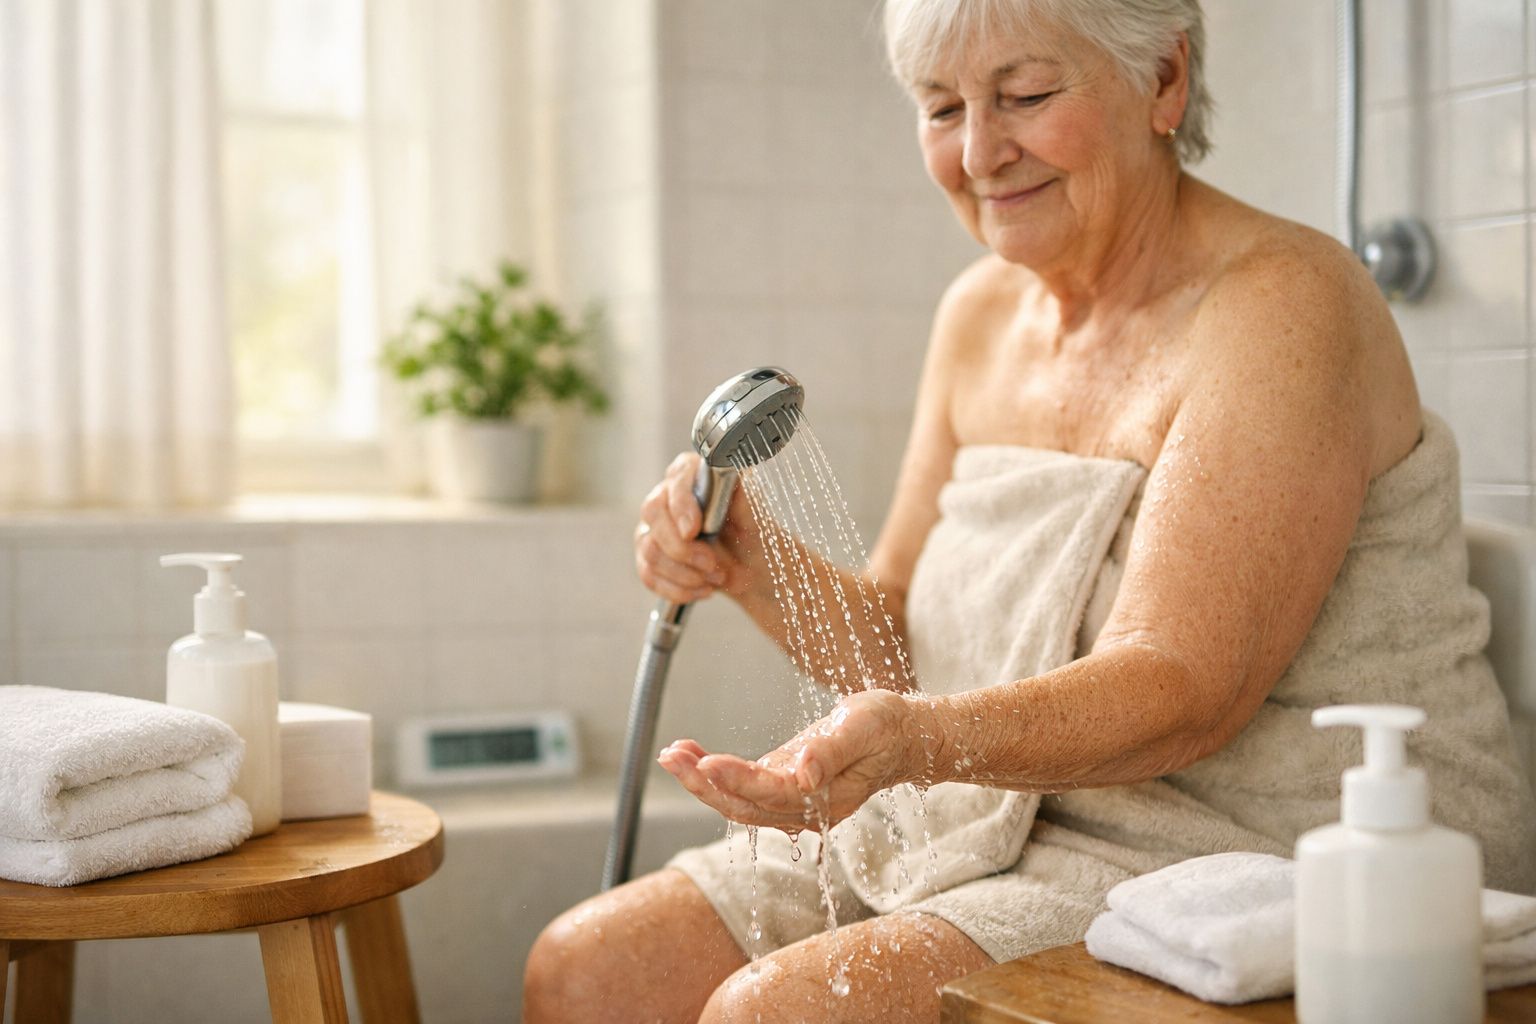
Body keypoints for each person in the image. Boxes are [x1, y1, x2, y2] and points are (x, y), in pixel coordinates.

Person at [523, 0, 1536, 1020]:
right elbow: (902, 646)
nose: (978, 153)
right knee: (583, 966)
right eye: (940, 109)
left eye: (1026, 96)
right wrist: (751, 562)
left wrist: (915, 745)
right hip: (996, 823)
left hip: (1241, 845)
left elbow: (1184, 686)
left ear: (1164, 82)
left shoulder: (1282, 306)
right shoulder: (977, 318)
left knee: (772, 1012)